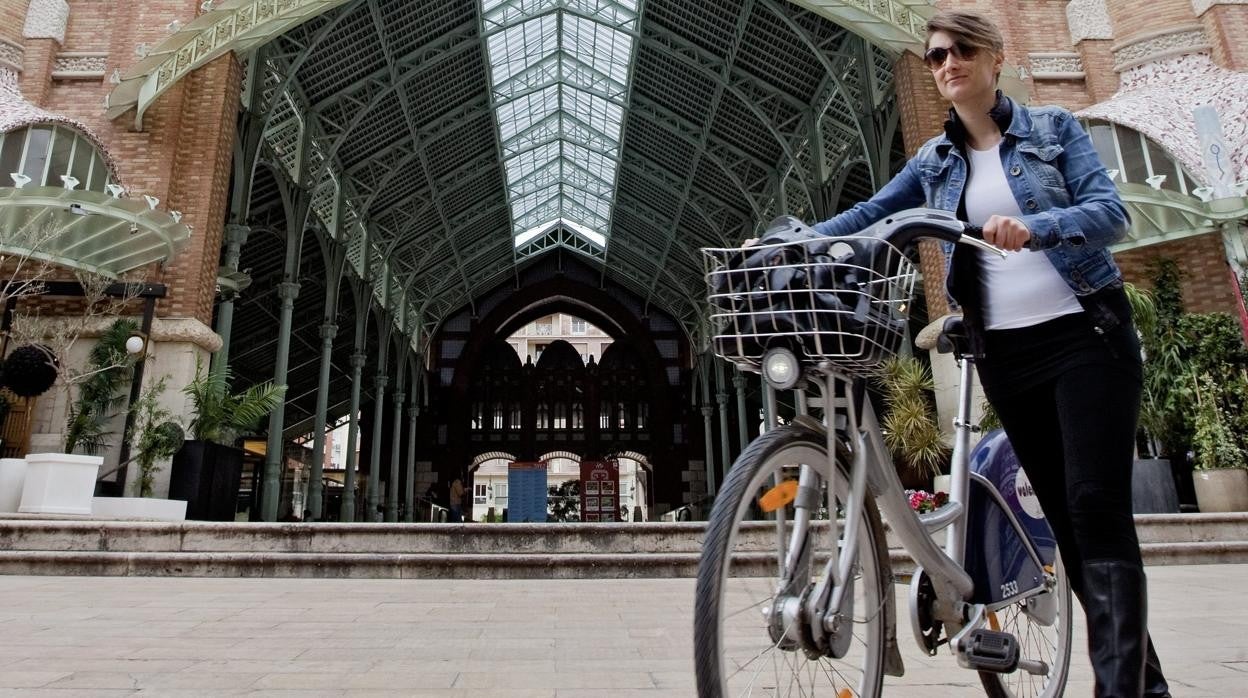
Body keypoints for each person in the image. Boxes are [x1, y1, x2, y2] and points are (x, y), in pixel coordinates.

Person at [808, 10, 1168, 697]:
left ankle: (1119, 689)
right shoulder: (936, 161)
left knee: (1096, 508)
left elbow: (1109, 213)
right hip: (1008, 356)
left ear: (995, 58)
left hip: (1086, 336)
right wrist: (794, 238)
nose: (947, 64)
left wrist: (1036, 228)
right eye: (937, 56)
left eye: (962, 50)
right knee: (1065, 520)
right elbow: (871, 216)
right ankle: (1143, 686)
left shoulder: (1053, 131)